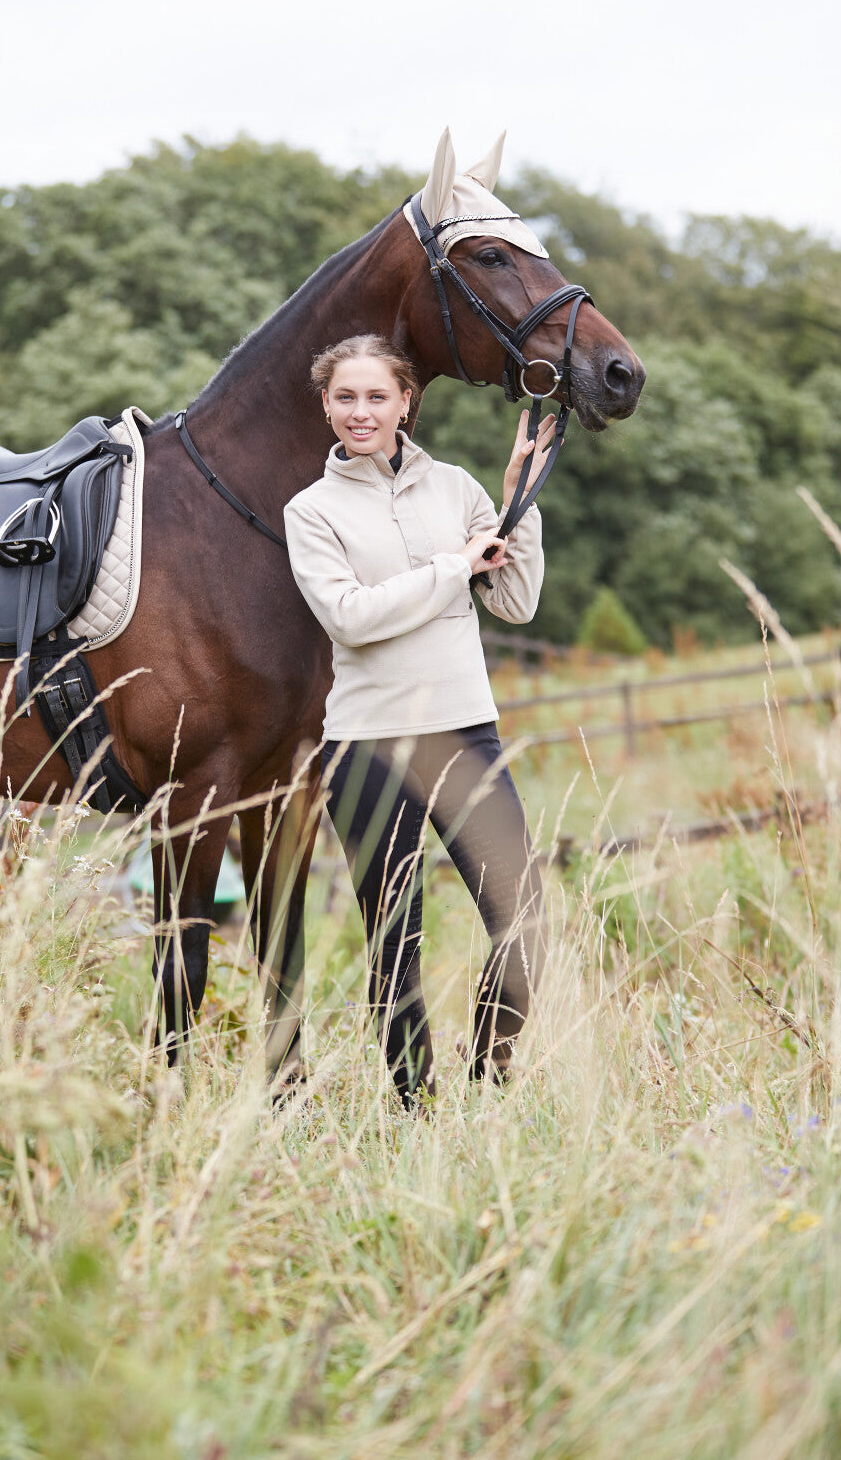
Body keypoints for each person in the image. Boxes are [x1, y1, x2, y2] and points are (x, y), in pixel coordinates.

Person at [284, 333, 555, 1108]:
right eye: (344, 397)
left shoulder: (459, 491)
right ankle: (414, 1108)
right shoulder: (311, 511)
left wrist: (515, 503)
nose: (359, 412)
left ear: (407, 401)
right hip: (367, 746)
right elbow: (349, 619)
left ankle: (487, 1076)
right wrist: (450, 568)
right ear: (327, 406)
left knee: (523, 916)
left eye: (376, 396)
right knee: (396, 939)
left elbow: (514, 600)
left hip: (463, 730)